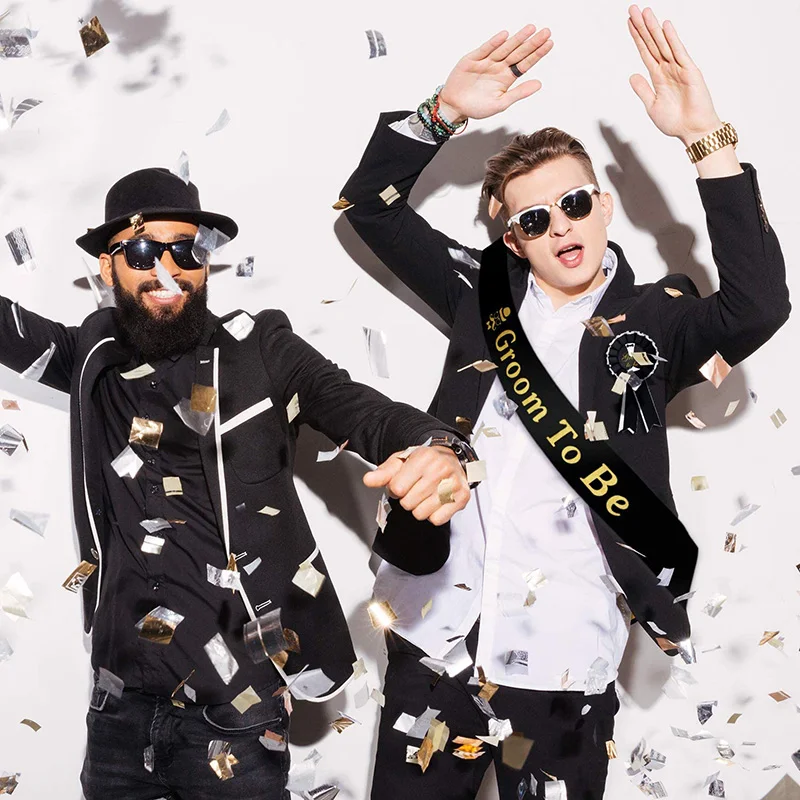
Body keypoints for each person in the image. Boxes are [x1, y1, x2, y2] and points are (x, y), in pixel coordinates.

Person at [339, 6, 789, 799]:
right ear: (512, 239)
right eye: (535, 219)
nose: (561, 227)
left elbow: (758, 305)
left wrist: (705, 138)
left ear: (603, 204)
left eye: (576, 203)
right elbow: (370, 209)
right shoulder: (479, 295)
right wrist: (441, 113)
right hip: (435, 637)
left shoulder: (656, 322)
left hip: (562, 664)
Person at [1, 165, 477, 799]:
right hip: (119, 708)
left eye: (186, 250)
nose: (166, 268)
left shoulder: (261, 351)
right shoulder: (92, 356)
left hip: (237, 711)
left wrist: (439, 448)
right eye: (141, 251)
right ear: (108, 266)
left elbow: (363, 409)